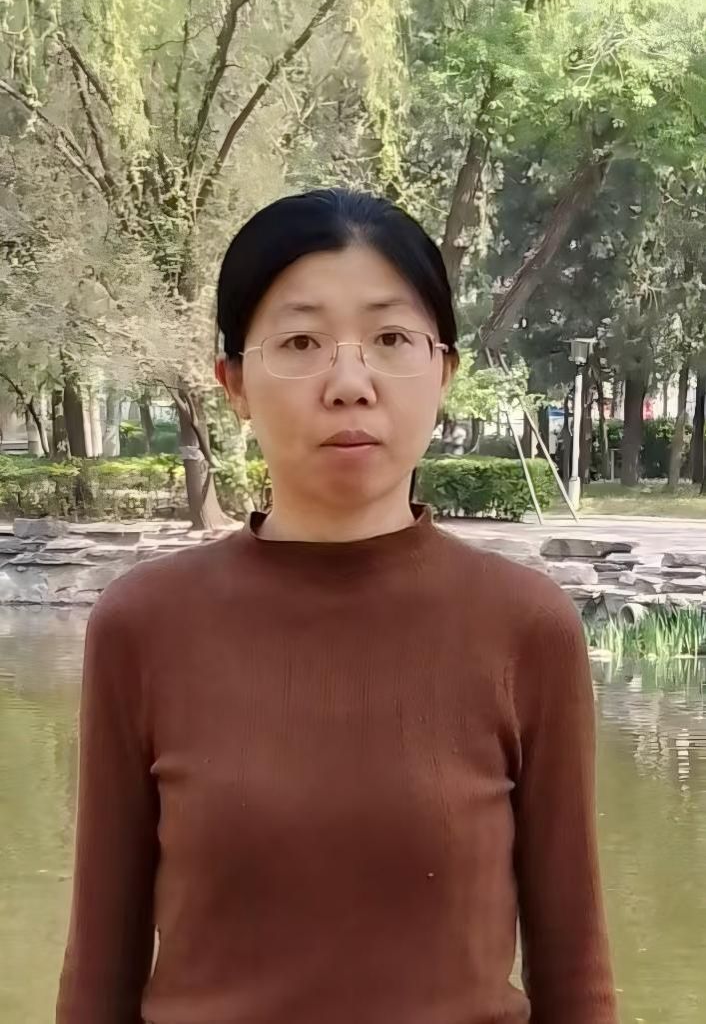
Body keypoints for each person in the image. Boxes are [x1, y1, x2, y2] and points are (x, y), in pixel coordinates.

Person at [57, 188, 618, 1024]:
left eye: (391, 340)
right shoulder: (143, 625)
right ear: (234, 384)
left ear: (444, 372)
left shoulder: (525, 627)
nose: (350, 383)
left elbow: (574, 975)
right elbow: (99, 975)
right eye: (300, 342)